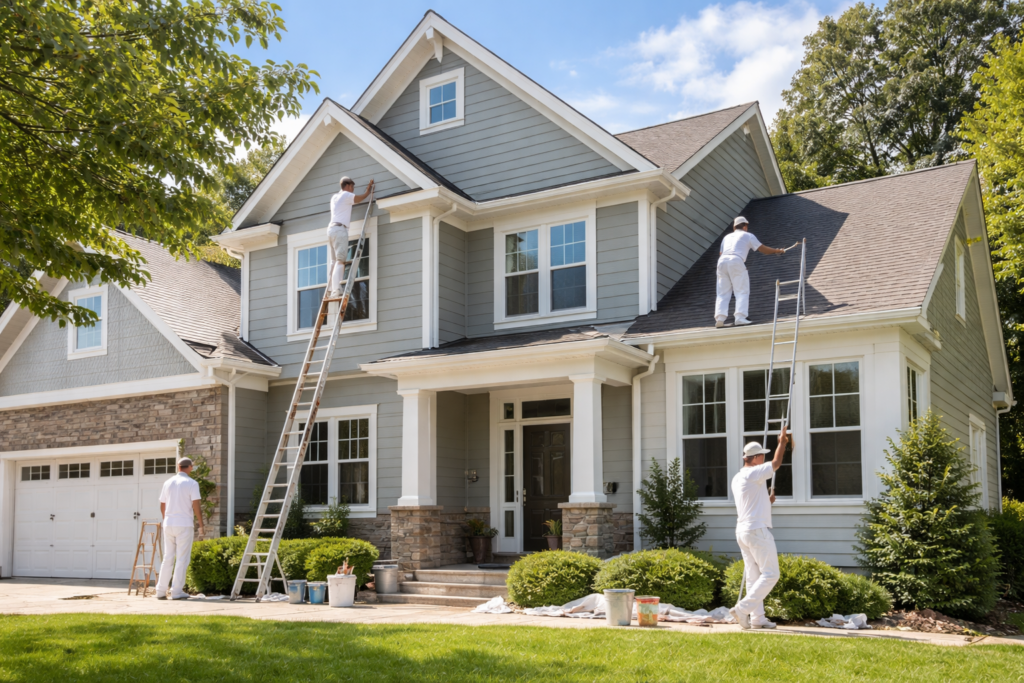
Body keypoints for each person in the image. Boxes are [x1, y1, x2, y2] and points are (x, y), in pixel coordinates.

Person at [729, 424, 789, 630]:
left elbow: (751, 501)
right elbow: (776, 463)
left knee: (754, 576)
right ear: (754, 458)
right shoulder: (753, 473)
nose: (763, 458)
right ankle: (742, 609)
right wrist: (782, 443)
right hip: (756, 531)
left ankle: (757, 618)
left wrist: (767, 500)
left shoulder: (738, 478)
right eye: (761, 456)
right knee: (772, 574)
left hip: (743, 531)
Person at [716, 216, 786, 328]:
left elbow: (721, 253)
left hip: (721, 262)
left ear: (734, 227)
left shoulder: (726, 237)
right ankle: (740, 317)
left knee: (723, 292)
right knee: (742, 291)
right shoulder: (748, 235)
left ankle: (720, 319)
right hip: (736, 260)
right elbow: (762, 249)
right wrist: (777, 251)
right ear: (745, 226)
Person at [155, 457, 204, 600]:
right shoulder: (192, 483)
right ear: (189, 467)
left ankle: (160, 590)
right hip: (184, 523)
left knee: (168, 557)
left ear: (178, 467)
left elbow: (162, 504)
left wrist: (166, 520)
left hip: (169, 523)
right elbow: (196, 505)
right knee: (182, 558)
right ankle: (176, 591)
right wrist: (201, 525)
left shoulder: (167, 482)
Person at [327, 176, 375, 299]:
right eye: (352, 186)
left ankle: (330, 289)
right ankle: (336, 289)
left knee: (333, 261)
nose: (353, 189)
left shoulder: (335, 197)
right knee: (340, 260)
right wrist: (368, 192)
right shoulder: (346, 195)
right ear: (347, 186)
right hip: (340, 230)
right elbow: (358, 199)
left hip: (331, 230)